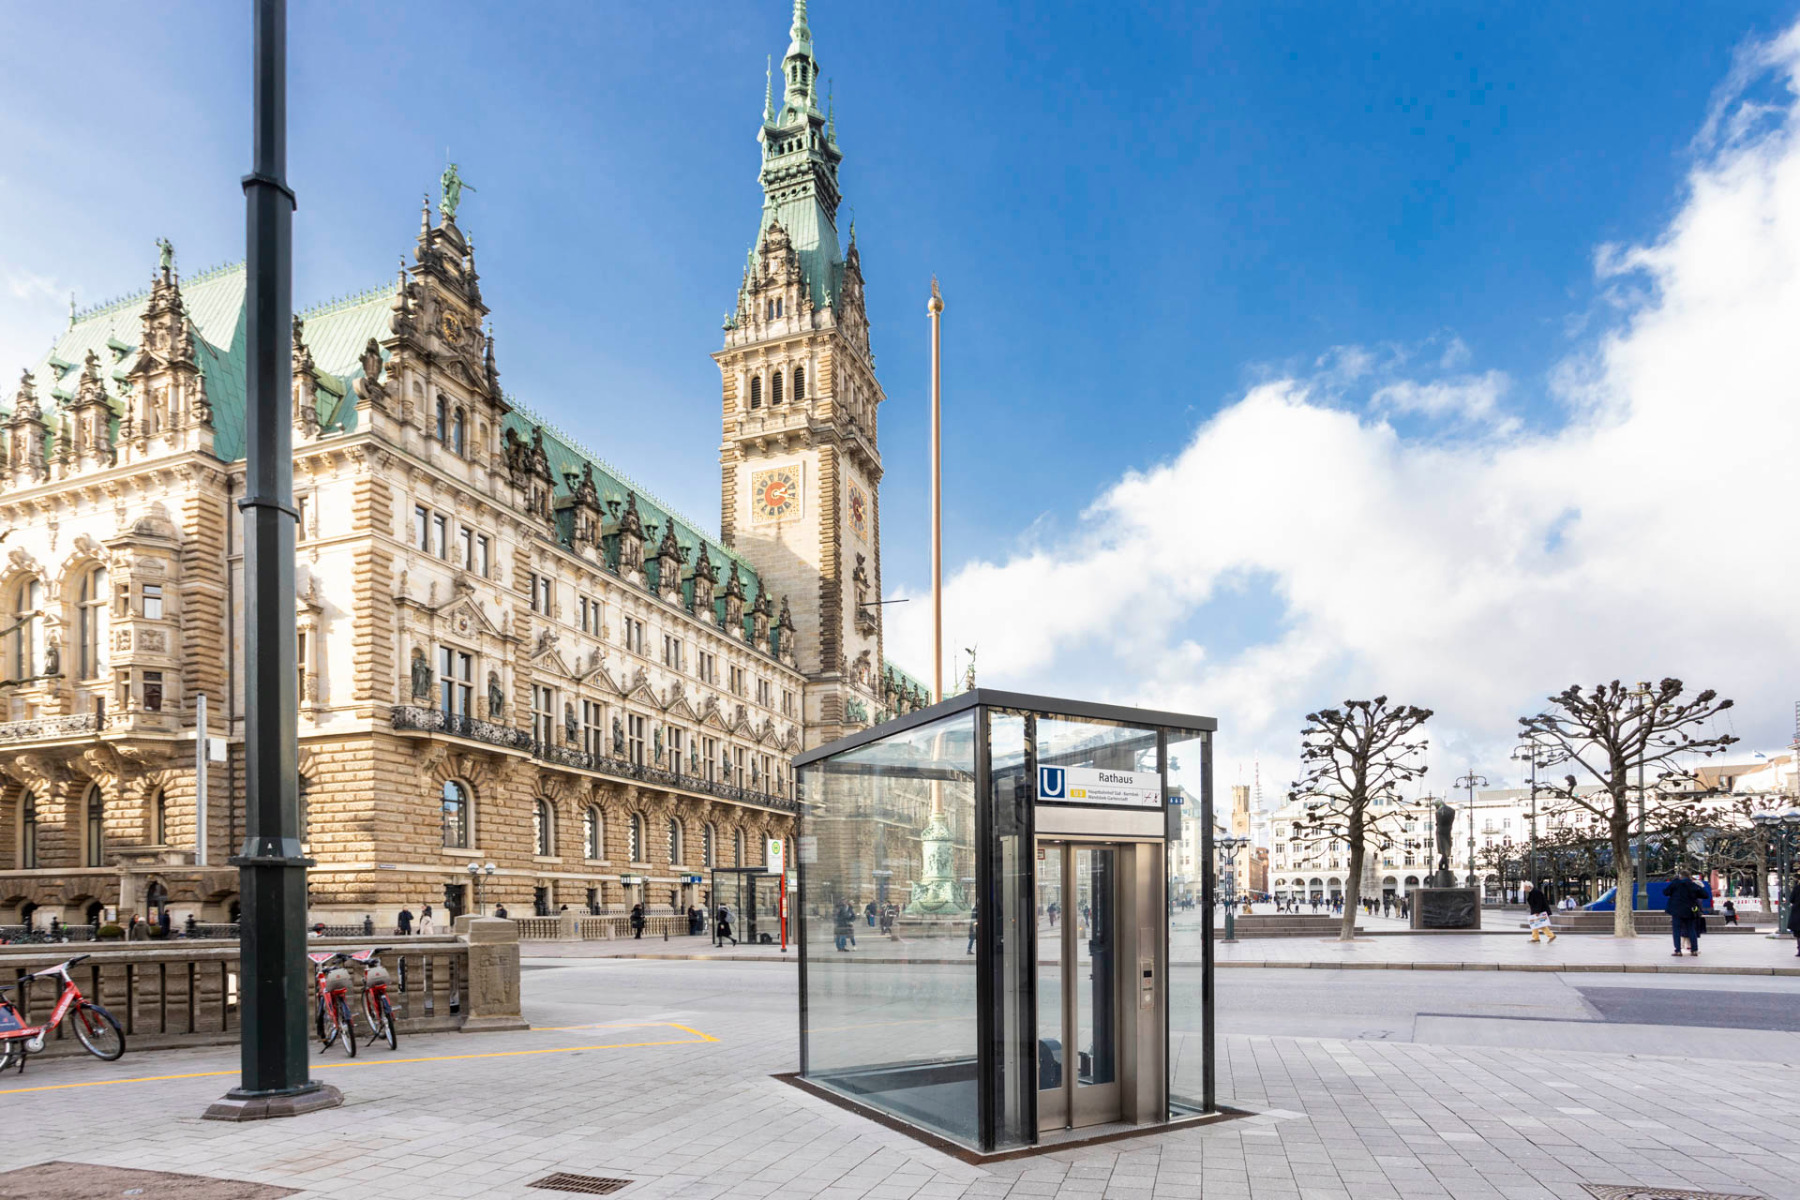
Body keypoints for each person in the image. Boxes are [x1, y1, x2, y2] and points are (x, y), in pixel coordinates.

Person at [1664, 873, 1706, 957]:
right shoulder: (1692, 885)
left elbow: (1665, 892)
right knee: (1691, 930)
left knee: (1676, 931)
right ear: (1689, 877)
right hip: (1689, 911)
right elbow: (1705, 895)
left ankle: (1678, 951)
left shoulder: (1675, 884)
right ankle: (1694, 950)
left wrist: (1674, 882)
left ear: (1680, 877)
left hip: (1676, 911)